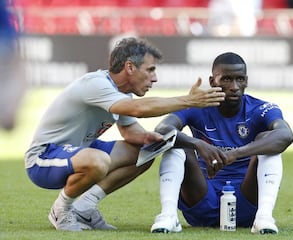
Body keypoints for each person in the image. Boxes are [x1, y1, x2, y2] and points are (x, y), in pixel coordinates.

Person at [24, 37, 225, 231]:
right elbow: (137, 109)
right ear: (130, 67)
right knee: (98, 160)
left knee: (145, 154)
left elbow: (129, 129)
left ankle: (84, 208)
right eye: (150, 70)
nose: (155, 78)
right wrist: (188, 101)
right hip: (43, 158)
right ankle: (61, 209)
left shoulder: (121, 93)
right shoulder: (96, 84)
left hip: (78, 152)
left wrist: (147, 138)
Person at [150, 52, 293, 234]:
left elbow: (285, 135)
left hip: (246, 202)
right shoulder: (197, 106)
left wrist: (236, 153)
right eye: (226, 79)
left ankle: (263, 218)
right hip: (202, 200)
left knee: (268, 142)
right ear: (212, 81)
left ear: (246, 81)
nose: (234, 86)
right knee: (176, 143)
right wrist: (198, 144)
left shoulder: (261, 109)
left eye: (240, 79)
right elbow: (162, 130)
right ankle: (168, 215)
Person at [0, 1, 25, 130]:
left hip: (5, 41)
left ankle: (7, 114)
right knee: (16, 78)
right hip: (5, 42)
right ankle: (7, 114)